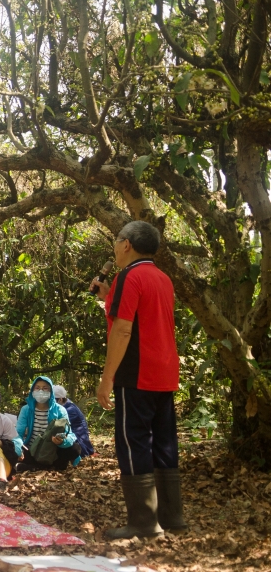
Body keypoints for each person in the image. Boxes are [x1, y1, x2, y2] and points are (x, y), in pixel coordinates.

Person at [93, 220, 185, 538]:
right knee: (164, 440)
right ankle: (172, 516)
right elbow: (142, 318)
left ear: (127, 244)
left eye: (117, 242)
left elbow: (123, 329)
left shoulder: (129, 276)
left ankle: (143, 521)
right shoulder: (163, 278)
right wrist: (108, 299)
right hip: (165, 370)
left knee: (132, 441)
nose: (115, 248)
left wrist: (107, 379)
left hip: (137, 373)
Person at [15, 376, 80, 473]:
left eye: (45, 388)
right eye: (37, 388)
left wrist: (62, 441)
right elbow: (18, 433)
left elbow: (69, 434)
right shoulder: (26, 410)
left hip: (52, 451)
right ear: (32, 390)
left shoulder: (60, 410)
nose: (41, 391)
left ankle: (35, 467)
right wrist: (18, 449)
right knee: (8, 446)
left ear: (51, 392)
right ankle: (42, 467)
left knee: (75, 449)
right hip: (31, 450)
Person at [54, 384, 96, 457]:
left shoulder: (70, 410)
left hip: (79, 443)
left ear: (60, 399)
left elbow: (58, 427)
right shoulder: (66, 406)